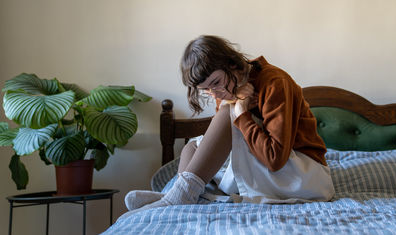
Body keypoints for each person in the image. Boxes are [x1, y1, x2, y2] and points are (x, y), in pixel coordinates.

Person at [124, 35, 335, 212]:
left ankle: (179, 197)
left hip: (303, 174)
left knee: (227, 113)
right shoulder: (226, 87)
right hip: (274, 169)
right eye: (206, 89)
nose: (214, 93)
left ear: (232, 64)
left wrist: (240, 112)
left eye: (215, 83)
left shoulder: (275, 83)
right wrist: (232, 102)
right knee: (193, 146)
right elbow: (227, 139)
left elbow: (275, 158)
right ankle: (178, 194)